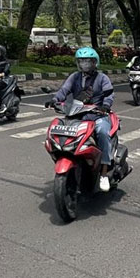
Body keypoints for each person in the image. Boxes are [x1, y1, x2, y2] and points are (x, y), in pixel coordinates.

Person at [52, 47, 116, 192]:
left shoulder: (102, 78)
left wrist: (105, 106)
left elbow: (109, 95)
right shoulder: (74, 77)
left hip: (97, 115)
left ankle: (104, 173)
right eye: (82, 61)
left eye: (88, 61)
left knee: (102, 133)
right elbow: (64, 90)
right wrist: (55, 100)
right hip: (77, 114)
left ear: (95, 62)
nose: (85, 64)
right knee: (62, 131)